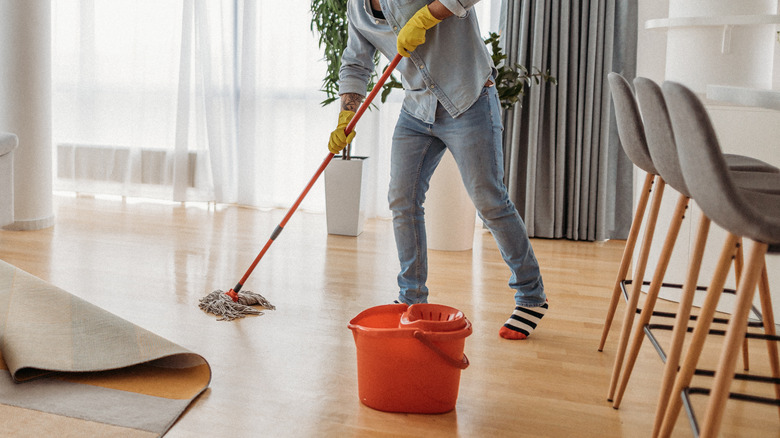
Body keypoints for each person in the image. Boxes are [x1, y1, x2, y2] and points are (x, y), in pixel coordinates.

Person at [328, 0, 547, 340]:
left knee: (490, 201)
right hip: (417, 108)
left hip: (469, 99)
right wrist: (346, 114)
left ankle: (531, 296)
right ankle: (411, 298)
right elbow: (356, 64)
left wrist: (430, 13)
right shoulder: (357, 9)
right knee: (402, 199)